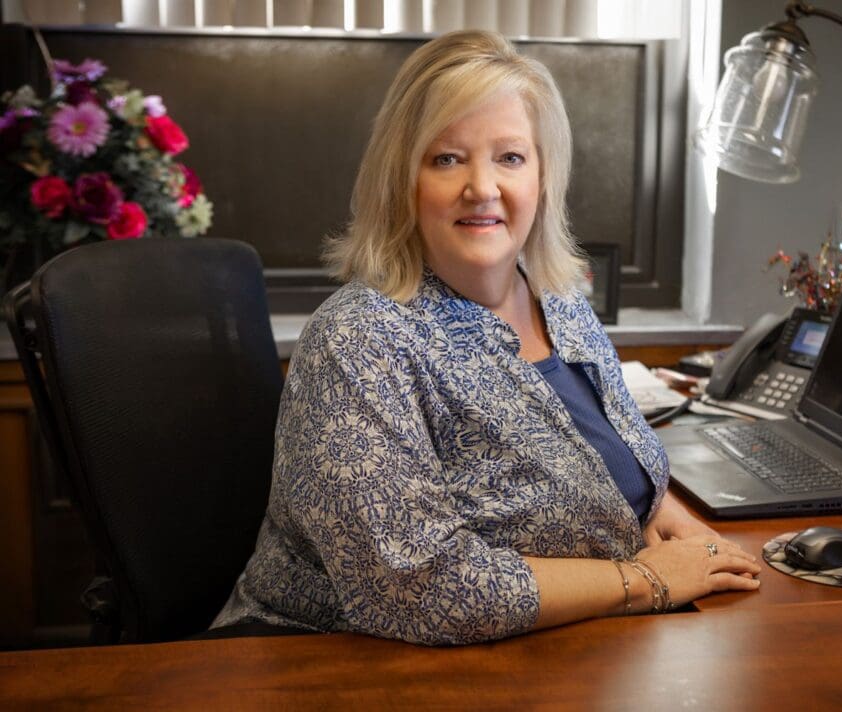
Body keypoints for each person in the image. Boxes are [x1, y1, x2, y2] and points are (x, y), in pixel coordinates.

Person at [212, 30, 761, 645]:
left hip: (549, 650)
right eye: (447, 158)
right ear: (403, 179)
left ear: (542, 177)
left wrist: (670, 518)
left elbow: (620, 465)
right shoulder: (358, 340)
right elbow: (420, 589)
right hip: (336, 664)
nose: (483, 187)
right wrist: (646, 580)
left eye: (510, 157)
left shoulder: (560, 302)